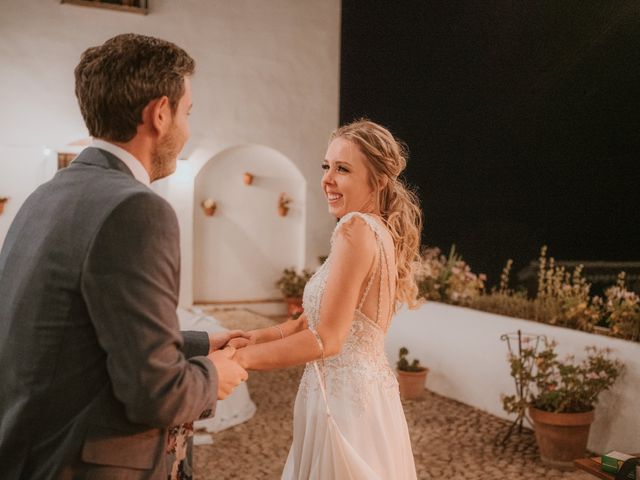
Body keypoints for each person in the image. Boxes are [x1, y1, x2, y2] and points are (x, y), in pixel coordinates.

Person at [0, 34, 248, 479]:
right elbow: (156, 395)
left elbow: (71, 333)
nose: (187, 129)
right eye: (187, 113)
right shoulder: (137, 208)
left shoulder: (46, 195)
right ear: (160, 113)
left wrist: (201, 343)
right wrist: (214, 375)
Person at [228, 119, 422, 479]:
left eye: (343, 169)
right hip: (364, 397)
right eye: (326, 166)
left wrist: (241, 361)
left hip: (346, 406)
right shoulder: (376, 231)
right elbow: (307, 323)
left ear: (378, 180)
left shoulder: (355, 229)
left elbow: (326, 339)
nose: (327, 179)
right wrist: (256, 336)